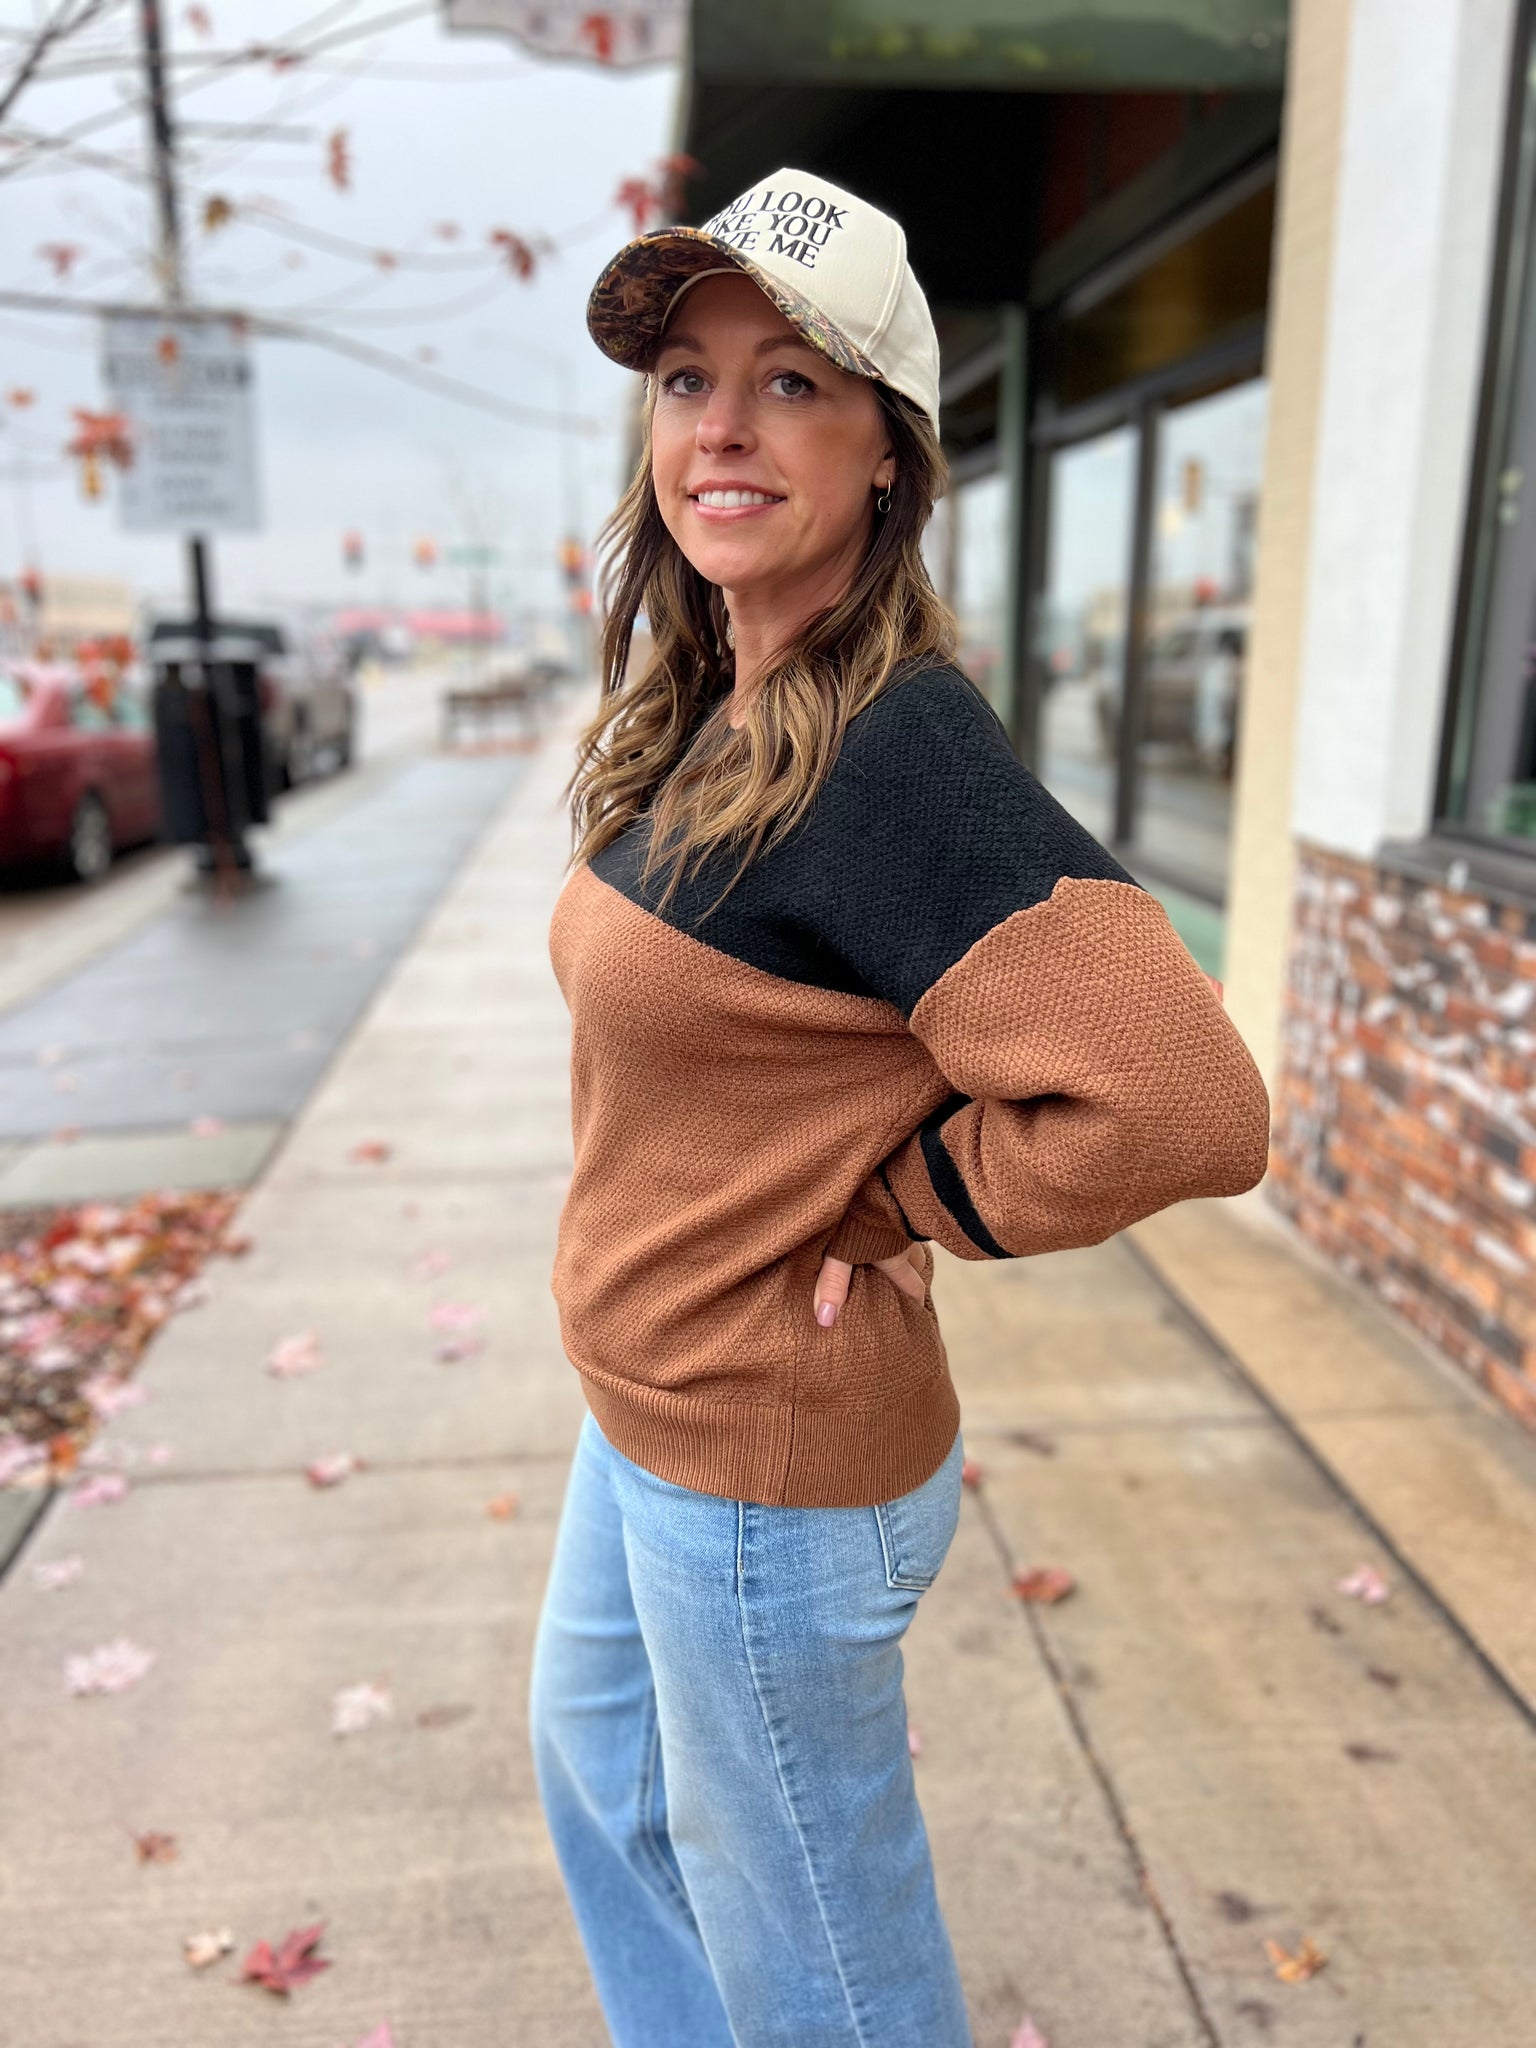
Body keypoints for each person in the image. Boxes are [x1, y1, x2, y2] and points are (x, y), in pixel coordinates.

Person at [530, 168, 1271, 2048]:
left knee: (826, 1978)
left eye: (791, 382)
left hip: (761, 1475)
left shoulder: (899, 747)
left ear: (890, 457)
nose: (722, 427)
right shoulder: (716, 701)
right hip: (647, 1404)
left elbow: (1186, 1103)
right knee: (604, 1787)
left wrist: (902, 1198)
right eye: (688, 380)